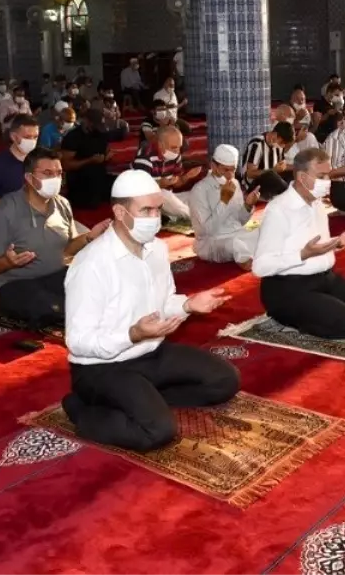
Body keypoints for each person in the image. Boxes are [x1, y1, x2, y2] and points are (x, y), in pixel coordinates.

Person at [63, 169, 239, 452]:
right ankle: (81, 411)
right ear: (120, 212)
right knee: (157, 432)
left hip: (150, 352)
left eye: (158, 209)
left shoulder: (156, 248)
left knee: (224, 381)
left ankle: (145, 398)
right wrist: (132, 334)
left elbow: (164, 301)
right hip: (102, 368)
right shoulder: (91, 264)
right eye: (146, 210)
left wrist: (187, 304)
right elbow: (78, 342)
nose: (155, 217)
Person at [0, 147, 110, 330]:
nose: (55, 179)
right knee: (50, 307)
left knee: (103, 288)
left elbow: (67, 250)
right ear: (29, 178)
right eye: (47, 173)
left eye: (59, 173)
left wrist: (89, 237)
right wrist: (7, 262)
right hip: (17, 283)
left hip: (55, 276)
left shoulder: (62, 204)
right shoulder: (4, 211)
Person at [253, 148, 345, 339]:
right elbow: (260, 267)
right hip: (288, 288)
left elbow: (316, 245)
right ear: (302, 178)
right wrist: (302, 255)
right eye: (321, 176)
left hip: (324, 278)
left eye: (328, 175)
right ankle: (288, 316)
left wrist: (337, 242)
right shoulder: (279, 210)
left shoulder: (317, 203)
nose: (327, 182)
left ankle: (321, 307)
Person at [189, 144, 261, 267]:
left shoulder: (235, 184)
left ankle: (246, 253)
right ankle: (246, 255)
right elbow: (207, 231)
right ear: (213, 166)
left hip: (237, 233)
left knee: (267, 228)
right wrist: (224, 200)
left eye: (233, 169)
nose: (230, 175)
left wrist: (248, 205)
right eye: (225, 170)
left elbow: (240, 221)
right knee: (235, 244)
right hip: (212, 242)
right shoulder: (200, 190)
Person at [133, 125, 201, 219]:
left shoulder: (176, 156)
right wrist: (160, 184)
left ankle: (174, 214)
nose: (177, 151)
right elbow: (140, 189)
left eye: (179, 147)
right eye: (173, 148)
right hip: (145, 202)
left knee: (196, 193)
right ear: (161, 145)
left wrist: (187, 176)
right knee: (164, 194)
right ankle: (197, 218)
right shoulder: (145, 156)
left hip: (167, 200)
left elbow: (177, 184)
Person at [0, 114, 40, 210]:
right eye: (27, 137)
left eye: (35, 137)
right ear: (13, 137)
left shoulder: (39, 159)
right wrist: (16, 204)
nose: (32, 141)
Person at [241, 121, 294, 198]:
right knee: (271, 175)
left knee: (294, 173)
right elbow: (250, 174)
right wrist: (273, 170)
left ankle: (291, 194)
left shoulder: (279, 146)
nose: (283, 146)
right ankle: (289, 196)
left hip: (272, 179)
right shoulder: (257, 144)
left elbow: (281, 167)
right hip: (253, 185)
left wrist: (297, 167)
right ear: (275, 135)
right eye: (282, 142)